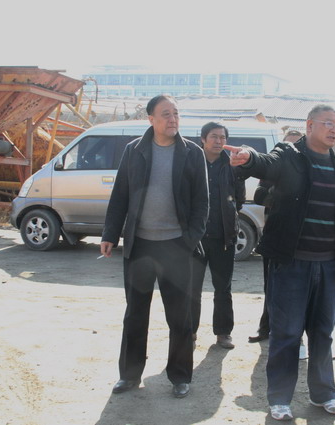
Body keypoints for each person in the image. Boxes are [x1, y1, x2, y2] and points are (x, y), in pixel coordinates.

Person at [226, 104, 335, 421]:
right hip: (291, 264)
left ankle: (324, 394)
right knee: (286, 333)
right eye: (328, 123)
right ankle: (279, 399)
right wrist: (248, 157)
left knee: (323, 333)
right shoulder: (289, 155)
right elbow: (266, 163)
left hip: (328, 266)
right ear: (310, 125)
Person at [100, 95, 209, 399]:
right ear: (151, 119)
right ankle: (129, 375)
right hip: (140, 246)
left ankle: (180, 376)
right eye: (165, 114)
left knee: (180, 316)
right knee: (135, 314)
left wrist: (189, 241)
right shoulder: (134, 150)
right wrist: (110, 234)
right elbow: (120, 195)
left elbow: (202, 203)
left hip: (176, 246)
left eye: (176, 113)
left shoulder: (192, 153)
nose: (173, 119)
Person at [191, 122, 245, 350]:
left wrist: (227, 218)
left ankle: (223, 333)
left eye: (222, 137)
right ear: (203, 139)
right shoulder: (192, 162)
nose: (219, 141)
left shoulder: (232, 166)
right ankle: (189, 332)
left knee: (223, 288)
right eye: (214, 136)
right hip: (195, 238)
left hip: (223, 237)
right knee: (191, 289)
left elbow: (239, 200)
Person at [248, 129, 303, 344]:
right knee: (271, 285)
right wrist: (279, 196)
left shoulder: (309, 171)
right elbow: (259, 195)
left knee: (298, 289)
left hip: (300, 240)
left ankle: (296, 334)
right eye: (288, 144)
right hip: (275, 235)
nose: (292, 149)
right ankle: (266, 328)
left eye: (297, 145)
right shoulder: (274, 169)